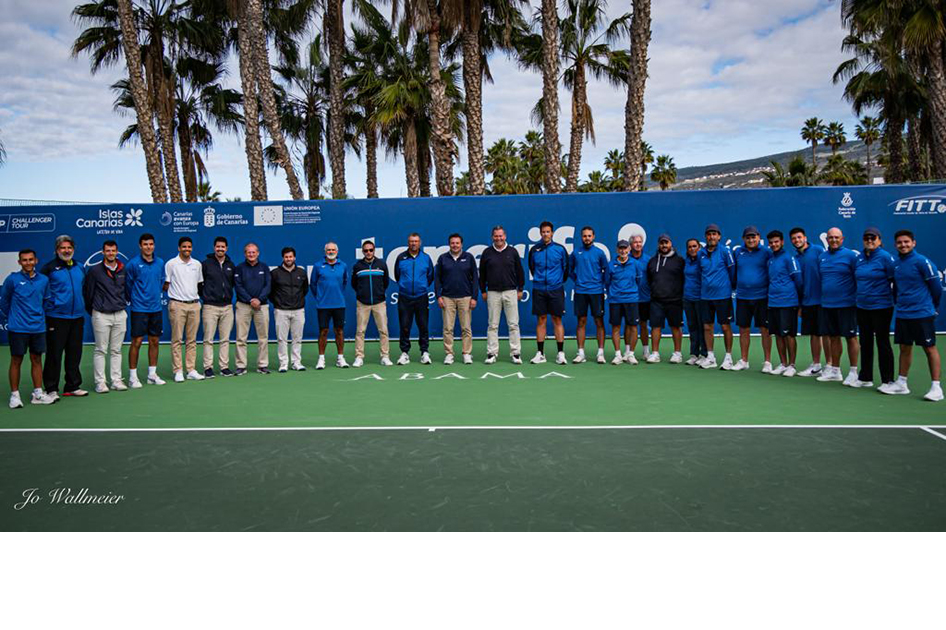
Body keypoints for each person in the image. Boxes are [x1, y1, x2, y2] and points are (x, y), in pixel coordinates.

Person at [881, 230, 943, 401]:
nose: (903, 245)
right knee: (904, 348)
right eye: (900, 242)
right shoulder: (896, 265)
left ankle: (936, 387)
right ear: (895, 245)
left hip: (922, 313)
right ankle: (902, 384)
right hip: (903, 313)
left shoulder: (922, 262)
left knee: (929, 349)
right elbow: (896, 289)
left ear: (913, 243)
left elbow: (936, 288)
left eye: (906, 242)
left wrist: (933, 307)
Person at [1, 249, 55, 407]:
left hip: (37, 327)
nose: (28, 263)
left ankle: (38, 393)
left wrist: (39, 317)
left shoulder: (44, 280)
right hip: (18, 328)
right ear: (19, 262)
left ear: (36, 261)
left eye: (31, 259)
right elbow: (4, 301)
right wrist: (11, 318)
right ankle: (14, 396)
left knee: (37, 359)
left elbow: (46, 301)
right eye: (24, 260)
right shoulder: (12, 279)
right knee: (16, 360)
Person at [41, 234, 87, 399]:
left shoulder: (80, 267)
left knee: (74, 353)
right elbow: (42, 292)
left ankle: (72, 386)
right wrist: (53, 305)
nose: (66, 251)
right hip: (56, 317)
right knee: (54, 354)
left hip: (77, 317)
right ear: (56, 250)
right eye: (63, 248)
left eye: (69, 248)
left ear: (73, 249)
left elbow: (83, 289)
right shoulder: (49, 269)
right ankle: (51, 388)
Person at [82, 240, 128, 393]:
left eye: (113, 250)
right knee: (101, 350)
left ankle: (116, 380)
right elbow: (88, 293)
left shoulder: (122, 269)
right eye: (107, 251)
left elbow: (126, 291)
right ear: (103, 252)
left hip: (120, 314)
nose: (110, 253)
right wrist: (95, 311)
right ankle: (100, 382)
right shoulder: (95, 271)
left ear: (117, 252)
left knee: (116, 350)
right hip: (101, 315)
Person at [816, 227, 860, 385]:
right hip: (827, 304)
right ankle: (835, 371)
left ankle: (854, 372)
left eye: (836, 237)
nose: (833, 240)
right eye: (830, 237)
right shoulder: (822, 257)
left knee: (850, 337)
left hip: (847, 304)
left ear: (842, 239)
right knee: (833, 337)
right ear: (826, 239)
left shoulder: (851, 256)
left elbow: (858, 278)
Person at [854, 227, 896, 390]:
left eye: (873, 238)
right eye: (866, 238)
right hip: (862, 307)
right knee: (865, 342)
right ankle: (865, 377)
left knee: (882, 342)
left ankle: (887, 380)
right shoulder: (859, 258)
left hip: (882, 307)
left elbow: (895, 281)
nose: (869, 241)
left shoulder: (886, 258)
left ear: (879, 240)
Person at [479, 225, 525, 364]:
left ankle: (515, 353)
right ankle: (492, 354)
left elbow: (520, 271)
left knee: (513, 324)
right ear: (492, 237)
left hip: (510, 291)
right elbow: (482, 274)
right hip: (493, 292)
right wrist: (483, 290)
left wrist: (520, 289)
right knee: (493, 325)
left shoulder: (512, 251)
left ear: (505, 236)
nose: (498, 238)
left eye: (501, 236)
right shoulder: (487, 252)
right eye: (496, 236)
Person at [126, 233, 166, 388]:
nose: (148, 247)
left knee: (154, 341)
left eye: (151, 244)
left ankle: (152, 374)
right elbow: (128, 286)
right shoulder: (133, 264)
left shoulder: (160, 263)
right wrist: (137, 299)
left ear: (154, 245)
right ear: (140, 246)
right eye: (145, 244)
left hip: (155, 308)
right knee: (136, 342)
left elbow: (161, 281)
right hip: (139, 309)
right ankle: (132, 377)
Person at [732, 226, 773, 372]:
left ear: (758, 237)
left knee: (765, 330)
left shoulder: (767, 252)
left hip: (762, 297)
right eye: (748, 237)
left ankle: (767, 362)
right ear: (743, 239)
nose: (751, 240)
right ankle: (744, 360)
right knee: (743, 329)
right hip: (742, 297)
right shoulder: (738, 252)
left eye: (753, 237)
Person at [528, 221, 569, 365]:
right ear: (540, 233)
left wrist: (555, 281)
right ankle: (540, 353)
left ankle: (560, 353)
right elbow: (532, 268)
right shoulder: (534, 250)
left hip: (555, 289)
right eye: (543, 232)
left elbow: (566, 270)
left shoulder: (560, 249)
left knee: (557, 320)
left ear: (552, 233)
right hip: (539, 289)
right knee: (541, 320)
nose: (545, 234)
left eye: (548, 232)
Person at [164, 236, 205, 382]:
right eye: (184, 247)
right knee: (177, 339)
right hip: (177, 305)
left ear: (191, 248)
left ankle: (191, 370)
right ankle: (178, 371)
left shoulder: (197, 264)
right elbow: (166, 283)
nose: (186, 249)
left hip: (194, 304)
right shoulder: (171, 264)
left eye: (189, 247)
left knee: (192, 340)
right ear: (179, 248)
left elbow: (200, 284)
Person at [436, 233, 478, 365]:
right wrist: (438, 296)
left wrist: (474, 297)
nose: (455, 245)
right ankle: (449, 354)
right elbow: (437, 279)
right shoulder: (443, 258)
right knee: (448, 328)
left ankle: (466, 353)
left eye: (457, 243)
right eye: (452, 243)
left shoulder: (469, 257)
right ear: (449, 244)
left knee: (466, 328)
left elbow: (476, 279)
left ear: (462, 244)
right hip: (447, 297)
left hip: (465, 297)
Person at [697, 224, 736, 369]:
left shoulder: (725, 252)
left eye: (714, 234)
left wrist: (728, 287)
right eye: (709, 234)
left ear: (719, 236)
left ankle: (728, 358)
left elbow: (732, 272)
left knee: (725, 326)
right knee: (707, 327)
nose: (711, 236)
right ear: (706, 237)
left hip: (723, 296)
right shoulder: (701, 253)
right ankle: (711, 357)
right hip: (706, 297)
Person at [765, 230, 802, 377]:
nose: (774, 244)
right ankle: (783, 363)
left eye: (776, 242)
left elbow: (798, 281)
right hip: (773, 303)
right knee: (778, 335)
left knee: (788, 335)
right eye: (771, 242)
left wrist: (799, 303)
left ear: (782, 242)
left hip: (788, 302)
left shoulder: (789, 258)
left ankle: (792, 365)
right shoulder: (770, 260)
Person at [790, 227, 826, 377]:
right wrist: (800, 305)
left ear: (805, 237)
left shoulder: (818, 250)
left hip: (823, 301)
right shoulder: (795, 259)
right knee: (813, 334)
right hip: (807, 302)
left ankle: (831, 366)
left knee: (826, 334)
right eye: (794, 238)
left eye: (799, 237)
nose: (797, 240)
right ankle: (816, 365)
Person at [570, 226, 608, 364]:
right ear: (581, 237)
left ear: (594, 237)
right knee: (581, 322)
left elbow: (606, 271)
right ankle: (580, 353)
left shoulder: (600, 253)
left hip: (596, 292)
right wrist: (578, 280)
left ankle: (600, 353)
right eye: (584, 236)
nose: (587, 238)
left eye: (589, 236)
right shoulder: (575, 253)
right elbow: (570, 270)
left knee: (599, 322)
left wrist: (600, 284)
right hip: (580, 292)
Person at [394, 233, 434, 365]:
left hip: (421, 297)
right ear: (408, 243)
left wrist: (420, 287)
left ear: (420, 243)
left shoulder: (426, 258)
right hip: (405, 297)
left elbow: (430, 277)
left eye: (416, 241)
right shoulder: (401, 258)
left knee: (423, 326)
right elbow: (397, 275)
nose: (413, 244)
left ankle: (424, 352)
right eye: (411, 241)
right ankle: (405, 353)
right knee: (405, 326)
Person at [198, 236, 236, 378]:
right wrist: (206, 296)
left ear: (226, 248)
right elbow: (199, 284)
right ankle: (208, 367)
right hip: (210, 306)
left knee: (225, 339)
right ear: (214, 248)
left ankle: (224, 367)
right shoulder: (206, 264)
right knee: (208, 339)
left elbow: (231, 284)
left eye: (223, 247)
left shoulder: (231, 265)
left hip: (227, 307)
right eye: (218, 246)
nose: (220, 249)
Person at [351, 240, 392, 367]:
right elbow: (354, 284)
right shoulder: (358, 266)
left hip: (379, 302)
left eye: (371, 250)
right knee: (360, 331)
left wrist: (378, 293)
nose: (368, 252)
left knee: (384, 330)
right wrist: (363, 294)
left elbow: (385, 283)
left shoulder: (382, 264)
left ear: (374, 251)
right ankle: (359, 357)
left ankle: (385, 356)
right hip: (363, 303)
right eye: (366, 250)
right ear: (363, 252)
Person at [646, 233, 685, 364]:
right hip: (656, 300)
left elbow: (684, 279)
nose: (664, 245)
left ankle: (677, 353)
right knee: (655, 327)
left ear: (671, 244)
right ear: (658, 245)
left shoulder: (679, 261)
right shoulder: (652, 261)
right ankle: (655, 353)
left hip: (674, 300)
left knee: (675, 327)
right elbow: (650, 279)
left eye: (666, 243)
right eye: (662, 243)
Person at [233, 243, 271, 375]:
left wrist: (259, 299)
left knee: (263, 337)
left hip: (262, 305)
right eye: (248, 252)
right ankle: (241, 366)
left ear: (258, 253)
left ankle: (262, 365)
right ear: (245, 254)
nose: (251, 254)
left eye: (253, 252)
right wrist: (250, 300)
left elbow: (268, 285)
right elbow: (238, 287)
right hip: (243, 305)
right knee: (241, 338)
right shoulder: (239, 268)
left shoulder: (264, 267)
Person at [310, 242, 349, 369]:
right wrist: (321, 296)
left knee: (339, 331)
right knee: (323, 331)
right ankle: (321, 359)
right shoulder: (317, 266)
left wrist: (336, 294)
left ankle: (340, 358)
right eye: (328, 250)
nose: (331, 252)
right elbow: (313, 284)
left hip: (339, 304)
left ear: (337, 251)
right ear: (324, 251)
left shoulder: (343, 265)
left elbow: (344, 283)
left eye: (333, 250)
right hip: (323, 305)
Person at [271, 246, 309, 373]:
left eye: (291, 256)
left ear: (294, 257)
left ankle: (296, 362)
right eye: (286, 257)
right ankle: (283, 363)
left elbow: (305, 290)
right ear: (283, 258)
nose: (288, 259)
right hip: (281, 310)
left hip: (298, 310)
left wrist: (298, 302)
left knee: (297, 338)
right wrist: (278, 302)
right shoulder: (275, 273)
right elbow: (271, 292)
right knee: (282, 339)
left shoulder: (301, 272)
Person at [607, 240, 640, 365]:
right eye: (620, 249)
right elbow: (607, 282)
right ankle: (617, 355)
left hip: (631, 299)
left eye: (625, 248)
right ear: (617, 250)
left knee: (632, 326)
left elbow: (639, 280)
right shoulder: (611, 265)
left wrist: (630, 291)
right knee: (616, 327)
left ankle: (630, 354)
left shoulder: (635, 264)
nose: (623, 251)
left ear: (629, 249)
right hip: (615, 300)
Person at [683, 238, 707, 365]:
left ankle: (704, 354)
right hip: (688, 298)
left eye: (694, 246)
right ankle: (694, 354)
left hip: (700, 298)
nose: (692, 249)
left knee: (702, 327)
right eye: (690, 247)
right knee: (692, 327)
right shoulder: (686, 261)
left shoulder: (703, 261)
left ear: (699, 247)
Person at [629, 234, 653, 360]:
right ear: (631, 245)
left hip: (645, 298)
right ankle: (628, 352)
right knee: (630, 325)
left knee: (643, 325)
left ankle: (646, 351)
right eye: (635, 242)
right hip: (630, 298)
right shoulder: (626, 259)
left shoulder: (648, 260)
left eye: (640, 242)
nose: (638, 244)